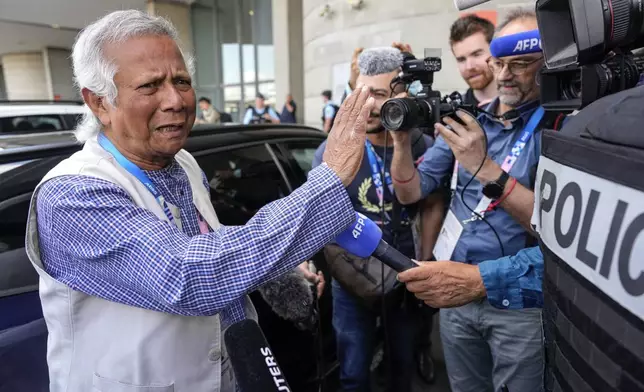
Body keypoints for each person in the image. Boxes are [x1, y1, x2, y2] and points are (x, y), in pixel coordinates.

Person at [25, 10, 376, 392]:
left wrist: (277, 276)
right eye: (150, 86)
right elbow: (186, 275)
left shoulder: (184, 162)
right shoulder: (72, 194)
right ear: (99, 103)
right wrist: (327, 182)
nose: (175, 99)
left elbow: (205, 240)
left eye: (182, 81)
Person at [391, 9, 547, 392]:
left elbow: (554, 230)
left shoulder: (557, 127)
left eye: (521, 64)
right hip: (454, 289)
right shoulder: (466, 119)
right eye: (499, 62)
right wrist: (400, 142)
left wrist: (485, 167)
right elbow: (411, 189)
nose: (504, 74)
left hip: (518, 302)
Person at [313, 47, 444, 392]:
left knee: (401, 368)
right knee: (353, 372)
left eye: (381, 95)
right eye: (361, 93)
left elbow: (432, 205)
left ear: (401, 95)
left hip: (406, 272)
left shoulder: (422, 145)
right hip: (350, 277)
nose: (369, 105)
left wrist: (426, 260)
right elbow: (314, 210)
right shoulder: (333, 149)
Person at [449, 14, 497, 107]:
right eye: (461, 59)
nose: (469, 67)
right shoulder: (457, 113)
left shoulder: (523, 104)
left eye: (476, 54)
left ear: (495, 51)